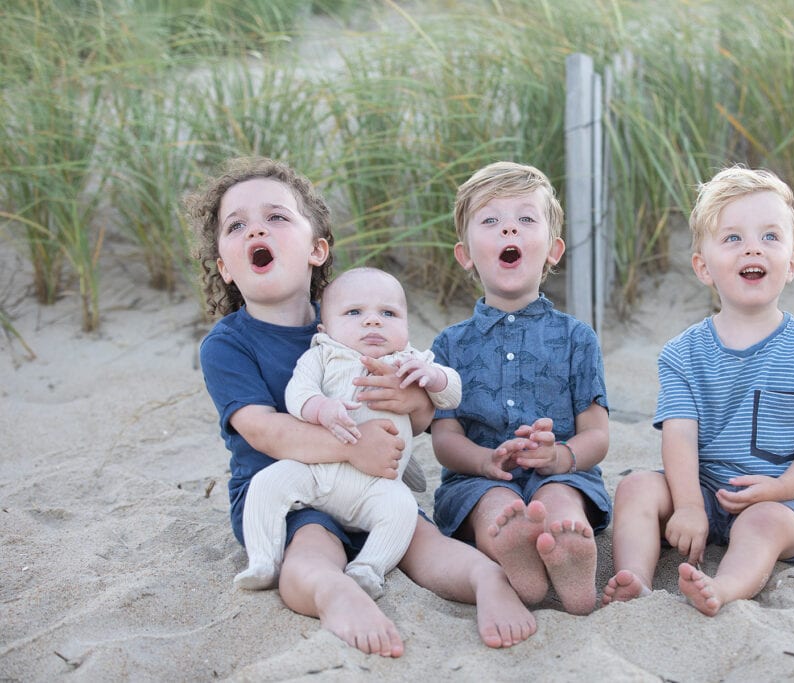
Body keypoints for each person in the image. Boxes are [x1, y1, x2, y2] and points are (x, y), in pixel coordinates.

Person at [187, 156, 536, 657]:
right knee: (310, 551)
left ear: (316, 249)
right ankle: (335, 592)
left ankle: (487, 581)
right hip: (292, 496)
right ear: (224, 265)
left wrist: (412, 397)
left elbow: (415, 417)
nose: (255, 229)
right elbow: (264, 430)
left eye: (276, 217)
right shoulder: (227, 345)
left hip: (372, 484)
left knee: (418, 537)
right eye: (236, 225)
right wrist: (350, 448)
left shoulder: (355, 318)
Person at [601, 165, 794, 616]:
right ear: (703, 266)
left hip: (788, 496)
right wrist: (690, 505)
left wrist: (782, 487)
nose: (753, 246)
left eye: (770, 237)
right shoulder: (682, 352)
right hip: (703, 488)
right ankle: (634, 578)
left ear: (791, 263)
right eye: (732, 238)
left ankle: (725, 588)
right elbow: (679, 435)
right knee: (636, 487)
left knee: (763, 522)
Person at [429, 161, 612, 616]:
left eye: (525, 219)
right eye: (490, 221)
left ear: (553, 250)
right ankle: (516, 555)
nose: (508, 228)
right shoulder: (449, 344)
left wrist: (560, 457)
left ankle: (569, 558)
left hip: (561, 472)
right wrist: (483, 460)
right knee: (495, 506)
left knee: (560, 499)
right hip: (478, 479)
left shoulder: (577, 337)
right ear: (466, 254)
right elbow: (445, 437)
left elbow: (597, 433)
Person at [234, 266, 461, 599]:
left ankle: (368, 568)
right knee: (268, 483)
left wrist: (433, 376)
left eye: (389, 313)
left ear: (406, 326)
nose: (373, 321)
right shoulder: (322, 354)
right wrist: (320, 408)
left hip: (377, 485)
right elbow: (298, 393)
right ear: (325, 328)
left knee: (402, 509)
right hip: (318, 473)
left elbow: (452, 392)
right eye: (354, 312)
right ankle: (263, 560)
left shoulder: (409, 360)